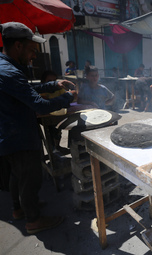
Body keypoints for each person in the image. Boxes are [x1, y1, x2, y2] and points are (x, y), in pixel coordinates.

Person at [0, 22, 77, 234]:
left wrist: (54, 84)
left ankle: (19, 209)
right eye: (32, 50)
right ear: (18, 46)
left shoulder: (5, 67)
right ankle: (33, 220)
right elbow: (39, 105)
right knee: (29, 178)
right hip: (19, 137)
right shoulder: (9, 71)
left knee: (17, 176)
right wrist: (66, 99)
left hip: (8, 135)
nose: (34, 55)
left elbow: (24, 89)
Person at [39, 70, 70, 155]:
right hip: (47, 115)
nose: (52, 83)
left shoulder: (58, 89)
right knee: (50, 133)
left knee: (58, 131)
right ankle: (52, 151)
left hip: (57, 114)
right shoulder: (43, 91)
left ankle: (57, 146)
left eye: (54, 81)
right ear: (43, 82)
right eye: (49, 81)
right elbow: (45, 101)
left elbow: (66, 95)